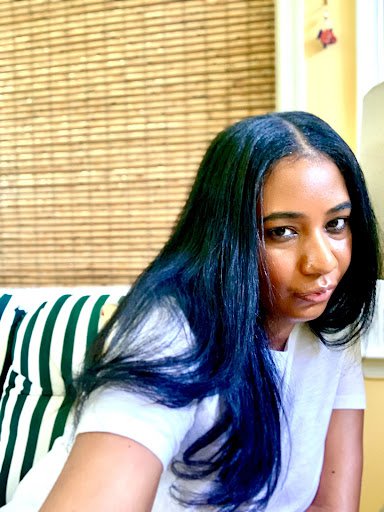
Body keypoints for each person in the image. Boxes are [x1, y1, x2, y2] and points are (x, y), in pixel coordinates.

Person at [2, 111, 381, 511]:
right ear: (225, 236)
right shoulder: (169, 330)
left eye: (337, 224)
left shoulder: (333, 326)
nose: (322, 263)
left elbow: (329, 506)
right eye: (282, 232)